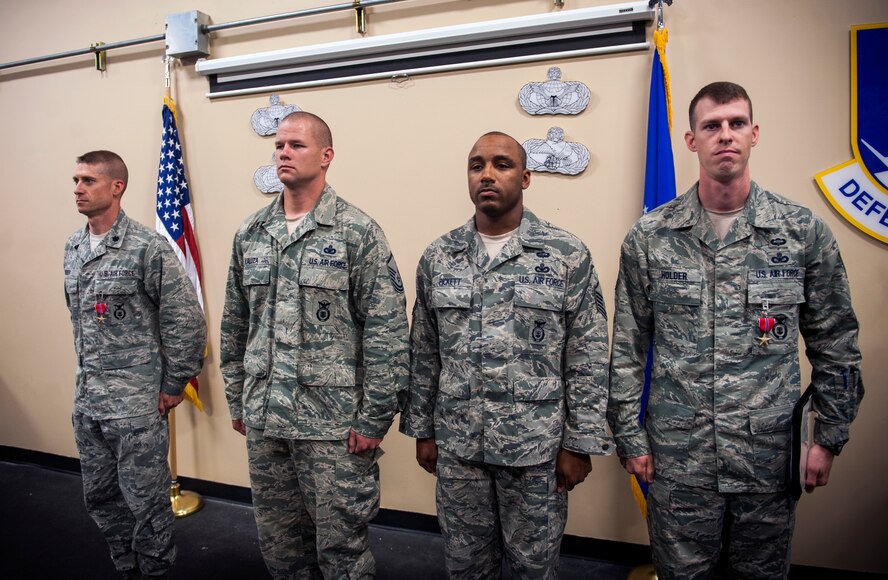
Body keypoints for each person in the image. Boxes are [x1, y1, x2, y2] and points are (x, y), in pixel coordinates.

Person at [608, 81, 865, 580]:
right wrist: (629, 438)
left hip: (767, 459)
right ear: (691, 140)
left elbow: (836, 344)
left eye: (736, 123)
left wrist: (828, 438)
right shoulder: (651, 237)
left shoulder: (800, 232)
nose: (725, 135)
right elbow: (626, 349)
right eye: (712, 126)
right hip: (679, 461)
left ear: (754, 133)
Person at [400, 132, 613, 579]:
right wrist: (422, 430)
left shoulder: (564, 254)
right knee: (465, 567)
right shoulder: (440, 257)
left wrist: (580, 442)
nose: (488, 175)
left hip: (536, 451)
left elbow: (588, 355)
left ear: (526, 177)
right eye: (477, 165)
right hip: (459, 448)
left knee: (534, 569)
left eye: (502, 164)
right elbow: (423, 352)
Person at [220, 111, 409, 579]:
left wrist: (374, 418)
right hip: (266, 419)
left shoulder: (356, 233)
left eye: (296, 145)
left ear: (326, 156)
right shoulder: (251, 233)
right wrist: (237, 397)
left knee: (341, 551)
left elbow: (387, 332)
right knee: (281, 549)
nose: (283, 152)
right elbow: (234, 324)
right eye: (279, 145)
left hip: (333, 425)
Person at [63, 150, 206, 579]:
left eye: (88, 180)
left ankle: (157, 571)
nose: (77, 189)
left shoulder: (147, 247)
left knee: (147, 504)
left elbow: (185, 319)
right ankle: (125, 567)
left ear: (116, 187)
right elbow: (79, 321)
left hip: (137, 406)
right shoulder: (73, 247)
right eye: (75, 180)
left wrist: (175, 381)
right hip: (89, 402)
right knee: (101, 498)